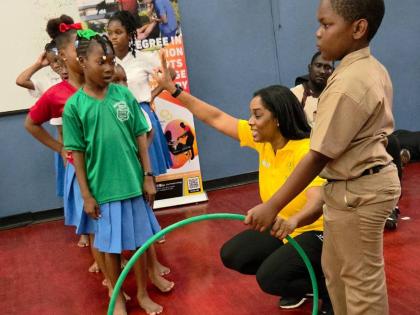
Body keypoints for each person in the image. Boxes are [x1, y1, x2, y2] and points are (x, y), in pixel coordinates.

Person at [244, 1, 401, 314]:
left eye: (326, 25)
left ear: (358, 28)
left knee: (359, 283)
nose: (317, 33)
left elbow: (317, 156)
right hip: (350, 189)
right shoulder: (368, 69)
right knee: (336, 274)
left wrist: (272, 206)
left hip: (359, 193)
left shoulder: (347, 83)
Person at [152, 54, 332, 313]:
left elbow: (317, 201)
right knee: (234, 254)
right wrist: (174, 90)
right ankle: (302, 283)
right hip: (284, 230)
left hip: (315, 232)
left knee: (270, 278)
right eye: (250, 115)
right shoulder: (265, 142)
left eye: (257, 115)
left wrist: (294, 221)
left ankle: (329, 288)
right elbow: (214, 117)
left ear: (278, 119)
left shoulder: (304, 151)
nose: (250, 121)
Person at [63, 31, 172, 315]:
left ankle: (143, 293)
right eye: (101, 62)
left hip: (133, 184)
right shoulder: (75, 107)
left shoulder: (124, 95)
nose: (109, 67)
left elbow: (140, 137)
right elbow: (78, 155)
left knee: (140, 244)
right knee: (110, 250)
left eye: (111, 61)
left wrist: (148, 176)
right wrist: (86, 195)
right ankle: (119, 297)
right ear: (83, 62)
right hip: (103, 190)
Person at [107, 10, 173, 176]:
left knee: (148, 172)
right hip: (116, 119)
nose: (113, 37)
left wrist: (153, 94)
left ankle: (152, 202)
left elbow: (170, 74)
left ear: (130, 35)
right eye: (109, 33)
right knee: (128, 172)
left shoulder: (142, 58)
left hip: (143, 118)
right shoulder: (105, 62)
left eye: (118, 32)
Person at [290, 52, 334, 127]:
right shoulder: (294, 95)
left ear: (332, 72)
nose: (322, 71)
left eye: (327, 67)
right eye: (318, 66)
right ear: (309, 68)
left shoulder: (336, 94)